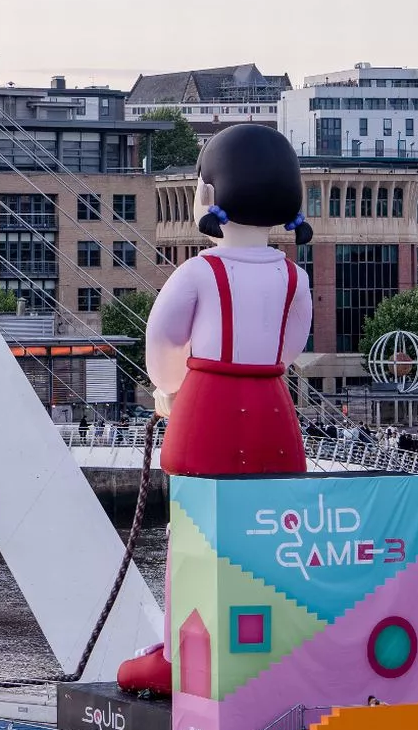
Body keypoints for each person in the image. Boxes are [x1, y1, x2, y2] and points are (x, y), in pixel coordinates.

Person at [117, 125, 314, 693]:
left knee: (192, 534)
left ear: (209, 193)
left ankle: (185, 653)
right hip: (272, 409)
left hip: (207, 409)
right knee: (268, 534)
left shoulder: (199, 272)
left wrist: (170, 390)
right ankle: (268, 642)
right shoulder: (293, 277)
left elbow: (161, 341)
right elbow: (291, 347)